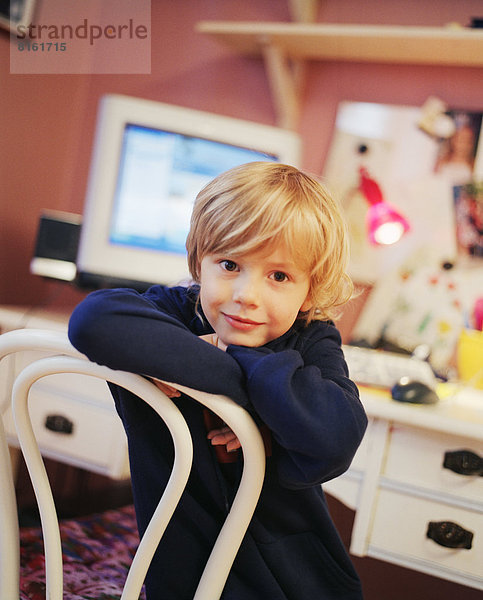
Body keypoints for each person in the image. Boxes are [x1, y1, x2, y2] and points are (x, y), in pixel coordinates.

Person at [68, 161, 367, 599]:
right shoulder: (175, 315)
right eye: (229, 264)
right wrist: (252, 397)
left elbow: (336, 440)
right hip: (181, 576)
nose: (246, 294)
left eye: (279, 276)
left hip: (297, 582)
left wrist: (248, 366)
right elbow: (92, 321)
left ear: (310, 289)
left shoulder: (311, 338)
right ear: (199, 262)